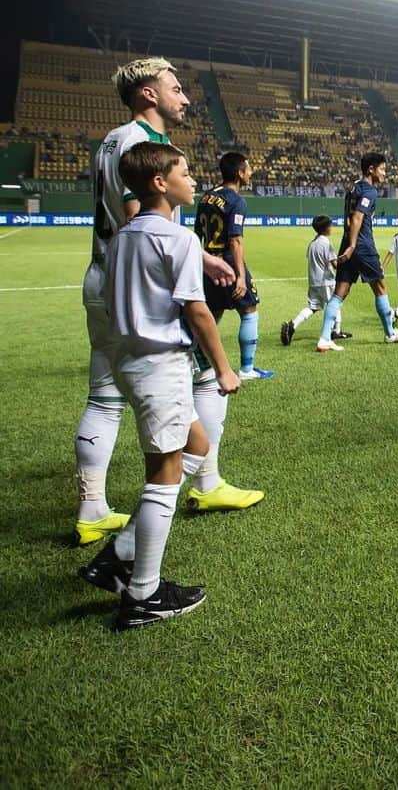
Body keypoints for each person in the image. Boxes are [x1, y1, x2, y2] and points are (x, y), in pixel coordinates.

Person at [74, 58, 245, 546]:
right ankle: (204, 481)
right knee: (210, 377)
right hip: (142, 291)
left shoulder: (110, 139)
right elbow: (140, 219)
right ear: (149, 95)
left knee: (103, 398)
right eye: (175, 89)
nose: (185, 98)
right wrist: (193, 260)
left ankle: (91, 509)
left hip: (104, 280)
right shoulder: (141, 146)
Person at [78, 142, 240, 630]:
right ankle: (143, 593)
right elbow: (196, 310)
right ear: (159, 183)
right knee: (165, 475)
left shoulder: (125, 234)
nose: (193, 180)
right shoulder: (178, 239)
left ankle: (120, 553)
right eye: (184, 173)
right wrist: (224, 368)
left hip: (128, 359)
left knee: (197, 444)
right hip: (160, 363)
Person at [318, 152, 398, 350]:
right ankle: (390, 333)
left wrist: (348, 245)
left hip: (348, 243)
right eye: (383, 169)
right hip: (361, 245)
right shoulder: (369, 191)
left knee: (339, 292)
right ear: (371, 169)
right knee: (381, 289)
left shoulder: (353, 187)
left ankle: (325, 338)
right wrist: (353, 246)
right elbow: (358, 218)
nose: (385, 173)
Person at [194, 151, 274, 379]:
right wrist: (240, 276)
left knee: (212, 312)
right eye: (248, 168)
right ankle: (247, 369)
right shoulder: (236, 201)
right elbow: (235, 239)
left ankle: (199, 362)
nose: (251, 172)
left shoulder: (206, 197)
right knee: (249, 309)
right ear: (239, 173)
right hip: (228, 262)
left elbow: (197, 234)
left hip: (208, 261)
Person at [281, 216, 350, 344]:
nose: (332, 228)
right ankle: (337, 331)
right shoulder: (326, 243)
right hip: (326, 281)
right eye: (330, 225)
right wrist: (345, 259)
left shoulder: (312, 243)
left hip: (314, 281)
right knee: (335, 303)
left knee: (313, 307)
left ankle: (293, 325)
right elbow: (334, 264)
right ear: (326, 228)